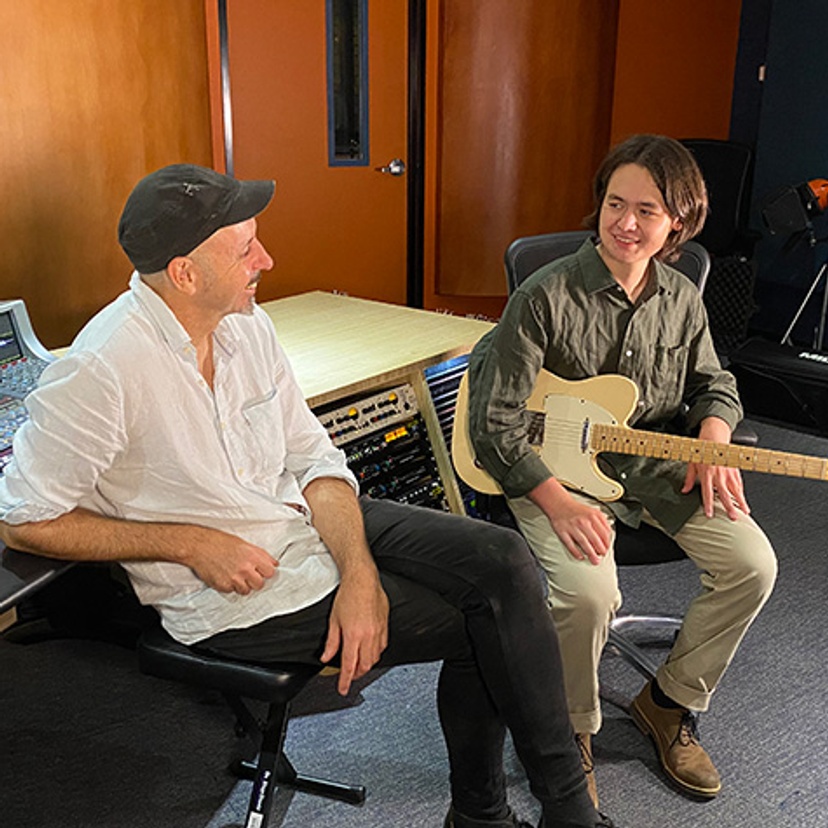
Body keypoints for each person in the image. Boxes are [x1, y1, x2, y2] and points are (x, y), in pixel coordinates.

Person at [0, 164, 616, 828]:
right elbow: (25, 520)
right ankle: (504, 816)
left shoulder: (246, 325)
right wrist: (185, 542)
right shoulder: (101, 368)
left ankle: (555, 811)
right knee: (483, 622)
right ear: (184, 273)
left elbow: (315, 457)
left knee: (502, 558)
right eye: (245, 249)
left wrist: (357, 573)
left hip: (300, 524)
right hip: (235, 596)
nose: (266, 260)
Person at [466, 135, 777, 806]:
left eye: (647, 211)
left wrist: (713, 438)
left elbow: (713, 381)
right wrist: (555, 501)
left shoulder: (682, 298)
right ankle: (571, 731)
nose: (627, 224)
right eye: (615, 204)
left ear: (678, 225)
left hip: (650, 467)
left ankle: (668, 704)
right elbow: (494, 423)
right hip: (548, 471)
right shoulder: (544, 296)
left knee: (753, 564)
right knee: (587, 594)